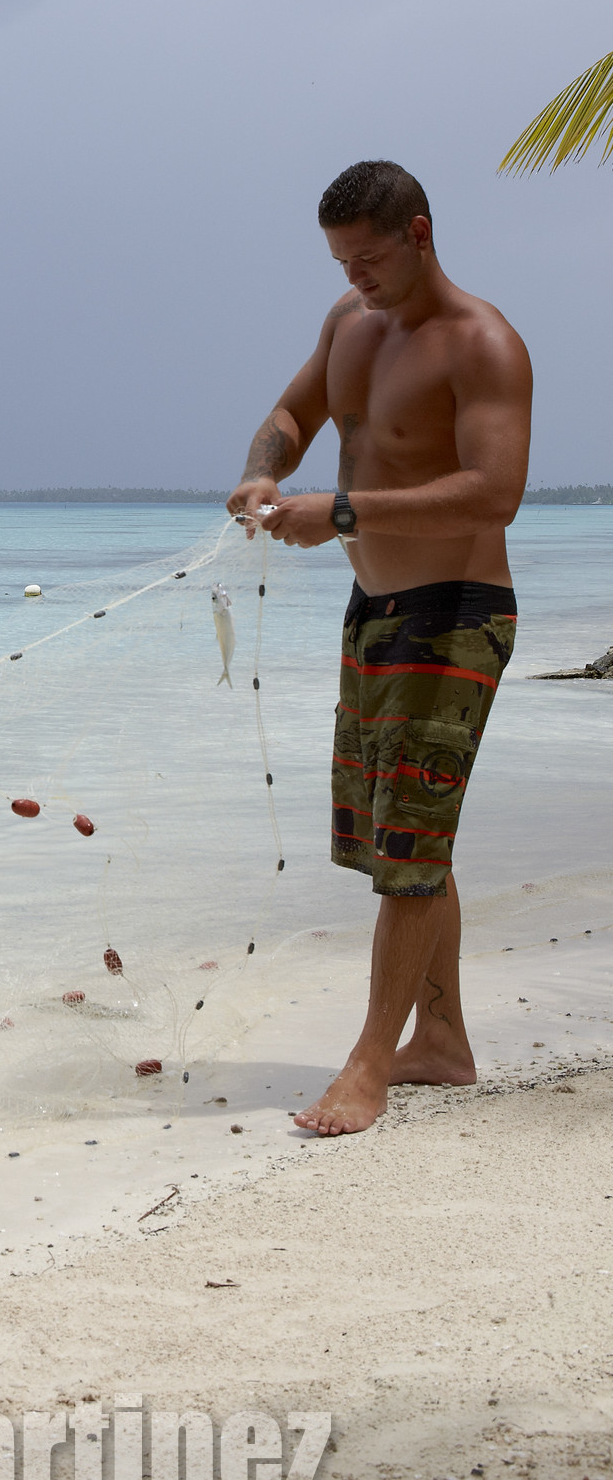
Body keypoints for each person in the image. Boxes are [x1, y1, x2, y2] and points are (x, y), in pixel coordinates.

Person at [227, 160, 531, 1137]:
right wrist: (258, 476)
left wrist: (343, 510)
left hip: (457, 610)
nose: (353, 276)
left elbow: (494, 492)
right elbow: (293, 416)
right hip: (375, 609)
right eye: (339, 261)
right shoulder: (347, 324)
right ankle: (439, 1040)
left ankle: (369, 1068)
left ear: (419, 233)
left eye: (367, 258)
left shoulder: (479, 344)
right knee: (396, 839)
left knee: (408, 843)